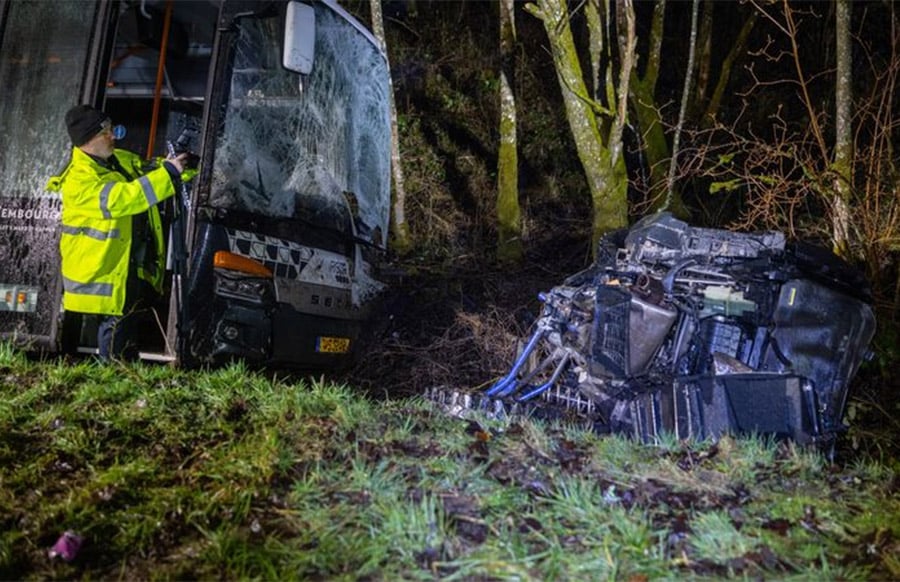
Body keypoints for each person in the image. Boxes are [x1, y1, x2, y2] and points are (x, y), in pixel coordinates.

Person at [46, 104, 192, 360]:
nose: (113, 136)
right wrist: (168, 174)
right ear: (88, 140)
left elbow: (152, 170)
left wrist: (185, 165)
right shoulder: (79, 179)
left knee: (122, 333)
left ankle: (117, 376)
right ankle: (110, 382)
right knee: (113, 335)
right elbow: (123, 199)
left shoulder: (116, 160)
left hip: (121, 267)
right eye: (106, 133)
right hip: (98, 276)